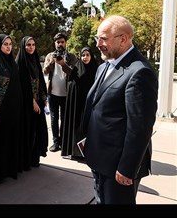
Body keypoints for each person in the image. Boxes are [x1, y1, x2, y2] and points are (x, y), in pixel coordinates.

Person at [82, 15, 158, 204]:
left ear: (123, 39)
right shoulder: (103, 67)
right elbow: (97, 107)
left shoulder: (140, 72)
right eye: (96, 38)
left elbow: (140, 128)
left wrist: (127, 168)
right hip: (99, 158)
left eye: (104, 39)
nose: (98, 44)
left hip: (118, 168)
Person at [0, 34, 23, 183]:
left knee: (10, 140)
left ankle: (9, 169)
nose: (8, 47)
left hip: (12, 109)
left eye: (10, 44)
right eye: (5, 44)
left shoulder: (11, 62)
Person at [15, 36, 48, 169]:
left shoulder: (34, 60)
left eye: (33, 45)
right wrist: (32, 101)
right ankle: (25, 160)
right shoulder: (20, 63)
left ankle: (34, 158)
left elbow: (40, 82)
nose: (31, 47)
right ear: (23, 46)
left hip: (38, 102)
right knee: (27, 131)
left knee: (37, 130)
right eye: (28, 45)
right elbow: (22, 86)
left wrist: (43, 99)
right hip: (26, 105)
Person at [61, 47, 98, 161]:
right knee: (76, 129)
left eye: (87, 55)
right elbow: (71, 86)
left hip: (90, 107)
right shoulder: (76, 70)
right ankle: (76, 152)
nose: (85, 57)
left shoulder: (96, 70)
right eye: (83, 55)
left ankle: (88, 153)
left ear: (91, 56)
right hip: (77, 107)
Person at [43, 33, 78, 152]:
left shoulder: (72, 57)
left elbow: (74, 73)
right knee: (53, 118)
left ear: (65, 43)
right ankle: (55, 142)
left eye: (62, 42)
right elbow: (45, 71)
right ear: (55, 43)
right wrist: (51, 63)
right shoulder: (49, 56)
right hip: (52, 93)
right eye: (58, 42)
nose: (60, 44)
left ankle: (63, 141)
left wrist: (63, 64)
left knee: (64, 119)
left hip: (66, 94)